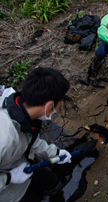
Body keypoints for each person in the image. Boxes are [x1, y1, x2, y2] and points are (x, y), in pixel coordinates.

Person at [0, 67, 72, 202]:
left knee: (46, 176)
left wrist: (55, 153)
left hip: (23, 160)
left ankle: (53, 189)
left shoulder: (23, 111)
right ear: (50, 105)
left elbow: (30, 141)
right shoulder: (4, 138)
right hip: (10, 192)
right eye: (59, 105)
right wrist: (9, 178)